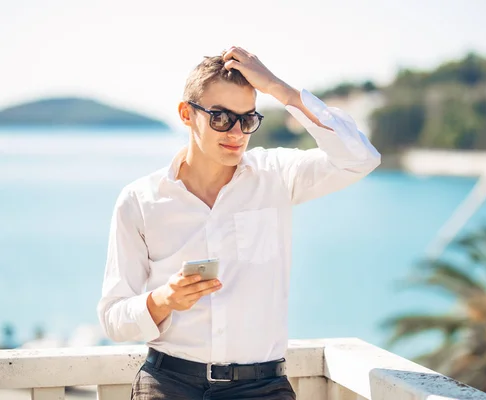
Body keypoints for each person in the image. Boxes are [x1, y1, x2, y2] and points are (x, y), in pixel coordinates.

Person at [97, 46, 381, 399]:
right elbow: (112, 316)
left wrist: (283, 91)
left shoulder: (276, 175)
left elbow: (360, 159)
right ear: (187, 114)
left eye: (247, 119)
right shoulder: (140, 200)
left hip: (262, 389)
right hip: (169, 384)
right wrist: (163, 299)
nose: (236, 132)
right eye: (220, 117)